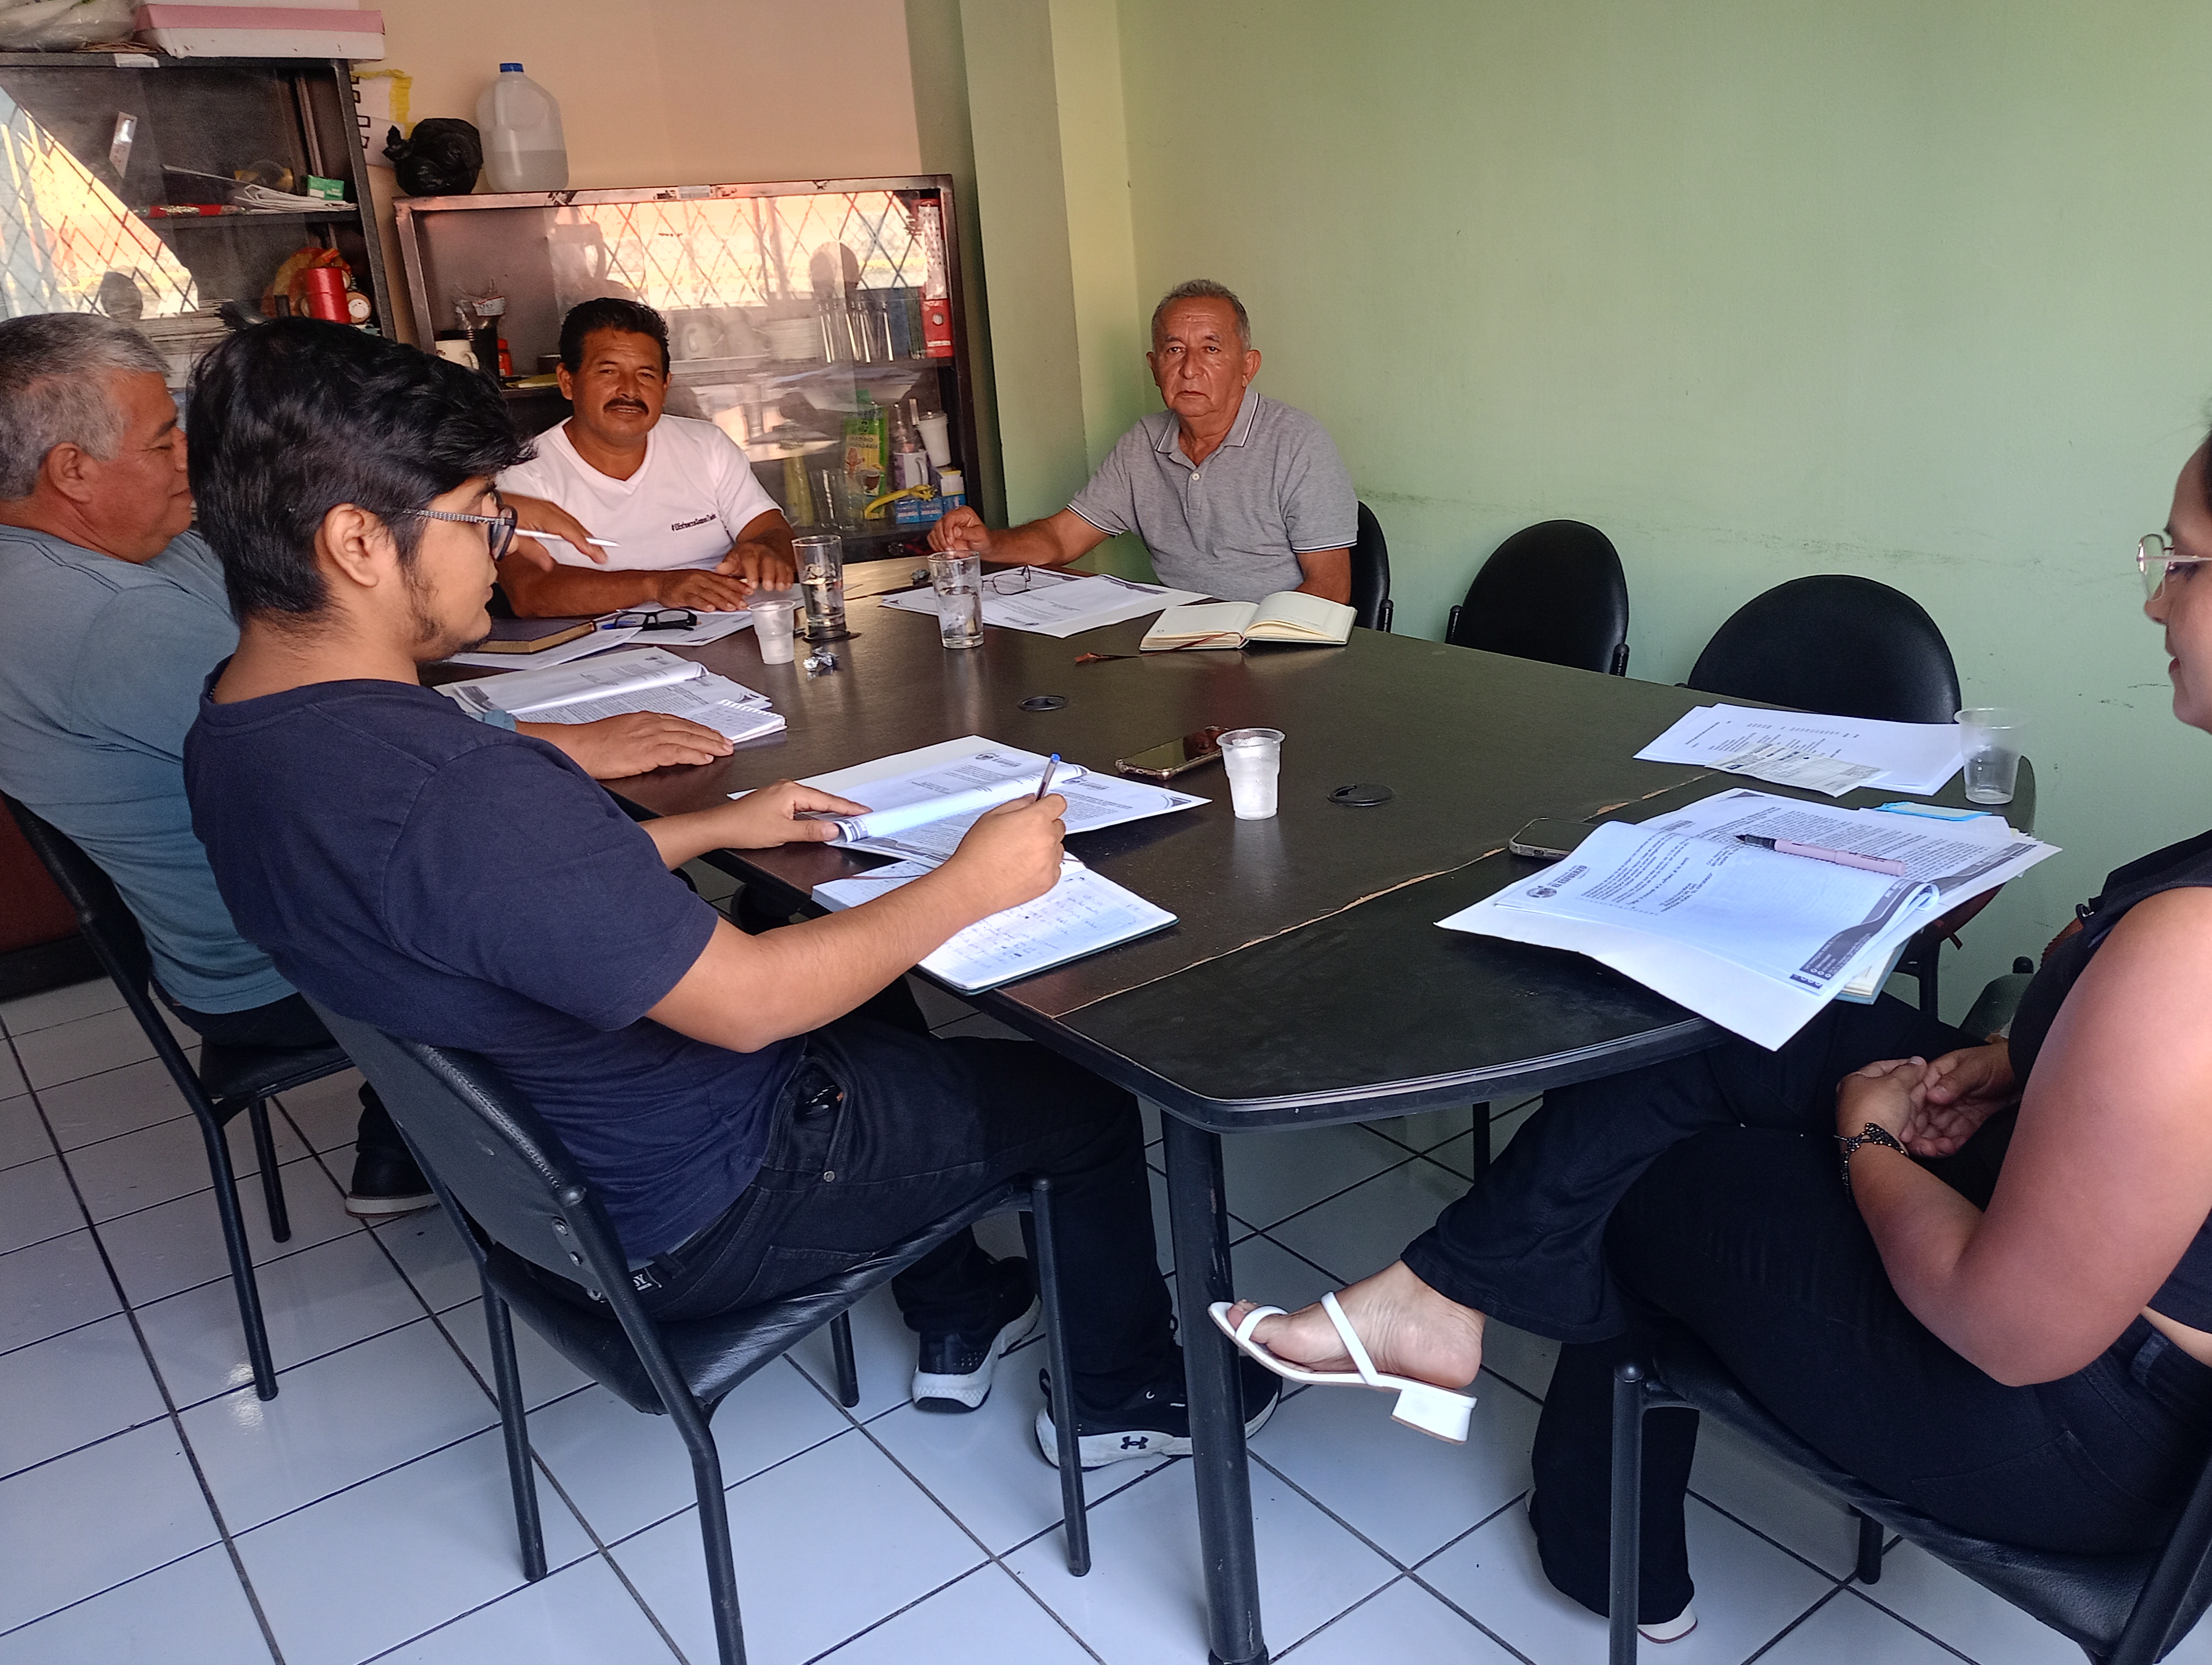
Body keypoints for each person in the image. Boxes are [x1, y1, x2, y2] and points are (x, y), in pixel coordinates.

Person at [1216, 346, 2212, 1641]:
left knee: (1639, 1182)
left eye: (2185, 563)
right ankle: (1437, 1297)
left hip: (2070, 1432)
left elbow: (2005, 1329)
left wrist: (1864, 1141)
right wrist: (2022, 1060)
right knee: (1739, 1020)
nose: (2156, 602)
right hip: (2209, 1329)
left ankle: (1605, 1555)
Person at [179, 318, 1279, 1453]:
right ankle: (1119, 1393)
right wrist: (972, 881)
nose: (498, 545)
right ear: (358, 542)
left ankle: (957, 1297)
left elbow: (498, 899)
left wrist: (715, 824)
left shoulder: (239, 734)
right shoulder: (459, 785)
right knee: (1080, 1101)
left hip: (554, 1188)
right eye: (479, 516)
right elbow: (750, 1004)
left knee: (780, 905)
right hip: (699, 1202)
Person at [0, 313, 739, 1216]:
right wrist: (574, 742)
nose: (192, 460)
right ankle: (589, 1156)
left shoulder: (109, 556)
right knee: (602, 897)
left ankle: (404, 1146)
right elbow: (358, 747)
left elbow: (296, 570)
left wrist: (459, 508)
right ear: (72, 469)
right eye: (164, 440)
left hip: (274, 909)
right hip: (291, 951)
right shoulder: (108, 622)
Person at [928, 280, 1356, 604]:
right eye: (1174, 351)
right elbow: (1062, 538)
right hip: (1179, 648)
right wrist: (990, 544)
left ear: (1248, 367)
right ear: (1154, 367)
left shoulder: (1297, 443)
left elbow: (1332, 587)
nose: (1189, 369)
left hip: (1274, 653)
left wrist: (1245, 644)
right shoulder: (1144, 443)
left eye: (1210, 350)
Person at [496, 298, 797, 616]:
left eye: (646, 375)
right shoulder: (522, 472)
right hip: (600, 644)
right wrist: (656, 586)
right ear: (568, 381)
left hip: (726, 626)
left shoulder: (706, 445)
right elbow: (527, 591)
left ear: (665, 386)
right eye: (608, 371)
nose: (629, 390)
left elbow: (776, 535)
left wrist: (765, 552)